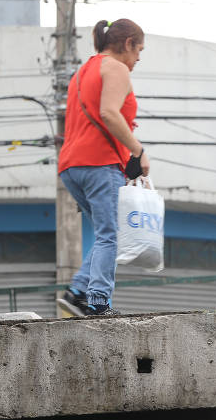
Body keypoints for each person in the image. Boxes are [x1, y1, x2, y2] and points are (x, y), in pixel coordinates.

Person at [56, 18, 150, 317]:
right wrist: (139, 151)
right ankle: (98, 302)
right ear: (127, 44)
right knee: (112, 234)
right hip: (99, 163)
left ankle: (77, 292)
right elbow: (109, 113)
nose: (138, 59)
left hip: (71, 166)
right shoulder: (116, 68)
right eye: (139, 50)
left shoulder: (82, 71)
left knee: (105, 233)